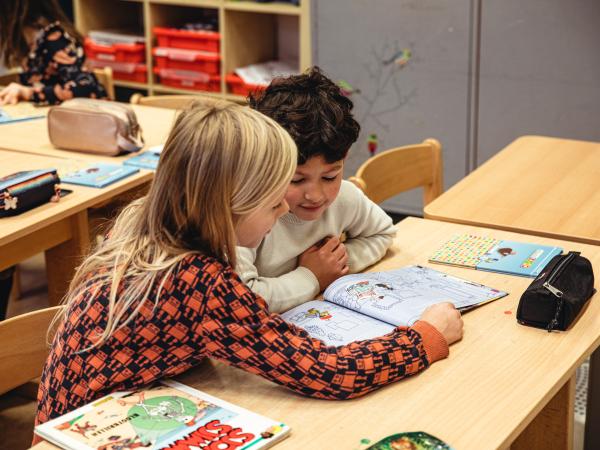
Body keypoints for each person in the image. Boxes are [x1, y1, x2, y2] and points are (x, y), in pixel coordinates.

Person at [35, 101, 463, 437]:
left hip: (75, 420)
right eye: (274, 201)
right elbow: (326, 371)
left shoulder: (143, 222)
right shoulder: (196, 281)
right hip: (89, 433)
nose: (283, 212)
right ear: (228, 206)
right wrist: (425, 337)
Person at [236, 67, 396, 312]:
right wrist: (311, 277)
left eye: (330, 176)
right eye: (297, 180)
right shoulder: (245, 218)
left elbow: (383, 233)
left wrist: (335, 266)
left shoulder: (345, 197)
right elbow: (240, 299)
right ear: (263, 163)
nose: (316, 195)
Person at [0, 0, 107, 105]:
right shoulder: (25, 40)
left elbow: (86, 88)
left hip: (89, 117)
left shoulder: (55, 39)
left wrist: (29, 93)